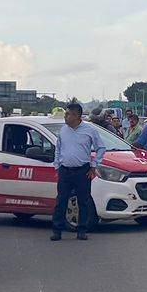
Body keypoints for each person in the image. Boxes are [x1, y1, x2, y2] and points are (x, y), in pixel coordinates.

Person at [51, 101, 104, 242]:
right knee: (61, 201)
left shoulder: (89, 130)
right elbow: (58, 148)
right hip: (65, 170)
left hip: (82, 171)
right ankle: (57, 230)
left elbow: (101, 148)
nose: (65, 117)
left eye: (68, 114)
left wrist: (94, 165)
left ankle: (82, 230)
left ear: (76, 116)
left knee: (83, 201)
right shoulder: (63, 130)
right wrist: (57, 166)